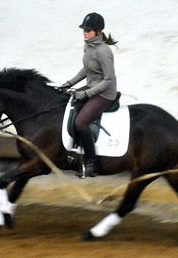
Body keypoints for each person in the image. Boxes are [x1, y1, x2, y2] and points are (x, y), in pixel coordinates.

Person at [62, 12, 118, 177]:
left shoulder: (103, 51)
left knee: (80, 122)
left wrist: (86, 94)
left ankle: (91, 163)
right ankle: (73, 153)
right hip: (91, 87)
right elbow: (86, 70)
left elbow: (108, 80)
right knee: (68, 106)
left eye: (88, 30)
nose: (84, 33)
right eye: (84, 30)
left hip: (105, 93)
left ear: (98, 31)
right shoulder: (89, 46)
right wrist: (69, 83)